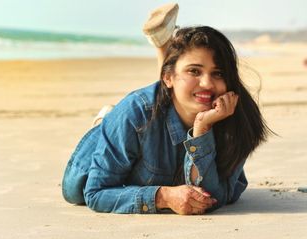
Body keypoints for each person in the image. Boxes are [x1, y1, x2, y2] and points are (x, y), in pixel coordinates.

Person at [62, 3, 271, 215]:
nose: (208, 83)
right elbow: (96, 193)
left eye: (218, 73)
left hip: (164, 107)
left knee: (233, 194)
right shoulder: (135, 114)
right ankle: (105, 122)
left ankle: (165, 49)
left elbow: (214, 197)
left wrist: (202, 128)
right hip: (126, 128)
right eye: (194, 71)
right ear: (168, 77)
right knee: (74, 191)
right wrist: (163, 197)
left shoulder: (235, 117)